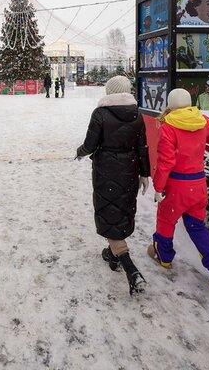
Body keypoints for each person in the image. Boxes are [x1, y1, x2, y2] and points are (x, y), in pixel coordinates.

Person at [148, 88, 209, 296]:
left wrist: (159, 187)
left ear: (170, 104)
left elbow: (165, 163)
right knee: (197, 226)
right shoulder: (201, 122)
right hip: (198, 184)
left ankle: (164, 255)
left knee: (165, 220)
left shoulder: (169, 127)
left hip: (177, 185)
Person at [76, 76, 151, 295]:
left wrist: (80, 152)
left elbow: (90, 145)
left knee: (109, 209)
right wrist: (145, 174)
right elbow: (142, 147)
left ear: (109, 91)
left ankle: (130, 267)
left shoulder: (100, 113)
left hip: (106, 169)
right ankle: (113, 254)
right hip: (129, 169)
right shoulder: (137, 114)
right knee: (120, 209)